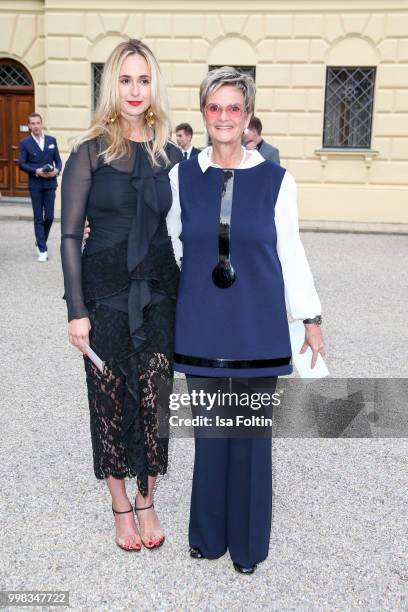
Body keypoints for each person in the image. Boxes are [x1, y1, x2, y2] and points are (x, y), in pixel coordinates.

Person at [168, 67, 324, 574]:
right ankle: (208, 537)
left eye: (234, 107)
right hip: (202, 323)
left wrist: (310, 317)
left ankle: (247, 547)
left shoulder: (279, 180)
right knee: (212, 433)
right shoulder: (182, 174)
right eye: (215, 107)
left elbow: (291, 252)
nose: (224, 117)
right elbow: (167, 240)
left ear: (249, 114)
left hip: (257, 324)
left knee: (252, 439)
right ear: (203, 113)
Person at [60, 39, 181, 552]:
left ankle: (147, 498)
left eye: (144, 79)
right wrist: (76, 312)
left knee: (155, 398)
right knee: (107, 400)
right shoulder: (88, 152)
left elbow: (189, 226)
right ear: (113, 84)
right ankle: (119, 506)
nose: (135, 90)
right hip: (104, 295)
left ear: (154, 86)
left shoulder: (172, 155)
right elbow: (68, 236)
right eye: (126, 79)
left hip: (158, 293)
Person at [18, 113, 62, 262]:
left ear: (41, 124)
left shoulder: (51, 140)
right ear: (29, 126)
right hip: (35, 184)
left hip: (50, 183)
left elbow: (58, 161)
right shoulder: (25, 143)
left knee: (49, 217)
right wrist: (35, 171)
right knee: (38, 217)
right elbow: (21, 163)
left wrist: (57, 170)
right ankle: (43, 249)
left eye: (38, 123)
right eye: (33, 123)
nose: (36, 126)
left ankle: (40, 240)